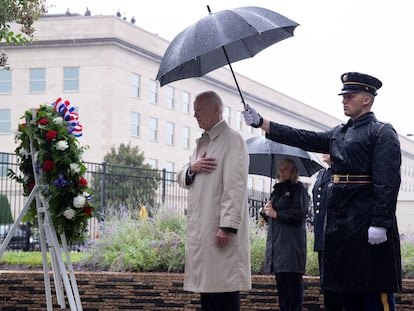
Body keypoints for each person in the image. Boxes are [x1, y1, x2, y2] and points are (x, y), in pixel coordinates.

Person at [243, 72, 402, 311]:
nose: (344, 100)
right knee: (345, 294)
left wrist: (380, 222)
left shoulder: (381, 133)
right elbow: (303, 137)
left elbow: (387, 183)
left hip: (366, 223)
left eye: (350, 95)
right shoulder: (339, 133)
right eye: (343, 96)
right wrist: (262, 123)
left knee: (372, 294)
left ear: (367, 99)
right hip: (341, 227)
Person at [177, 91, 251, 311]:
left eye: (199, 109)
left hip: (220, 231)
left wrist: (227, 226)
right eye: (194, 109)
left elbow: (235, 186)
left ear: (217, 110)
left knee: (224, 291)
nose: (194, 115)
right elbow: (181, 177)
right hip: (203, 230)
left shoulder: (232, 140)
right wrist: (192, 168)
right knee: (209, 294)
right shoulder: (202, 143)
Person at [263, 158, 309, 311]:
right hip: (278, 247)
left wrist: (276, 214)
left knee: (293, 292)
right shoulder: (277, 190)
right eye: (280, 169)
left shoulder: (298, 189)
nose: (281, 171)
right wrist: (266, 211)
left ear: (293, 171)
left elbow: (299, 213)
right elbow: (270, 215)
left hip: (291, 247)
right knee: (282, 293)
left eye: (285, 169)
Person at [312, 154, 343, 310]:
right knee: (325, 282)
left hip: (334, 235)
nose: (323, 152)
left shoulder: (340, 172)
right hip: (321, 235)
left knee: (335, 282)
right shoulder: (323, 173)